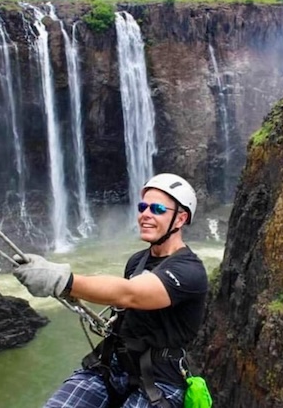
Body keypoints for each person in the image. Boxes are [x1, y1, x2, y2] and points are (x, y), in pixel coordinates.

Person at [13, 173, 209, 408]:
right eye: (143, 206)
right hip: (112, 366)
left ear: (180, 219)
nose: (145, 214)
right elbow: (122, 297)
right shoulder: (136, 262)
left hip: (160, 381)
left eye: (157, 208)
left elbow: (130, 294)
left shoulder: (190, 271)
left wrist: (63, 280)